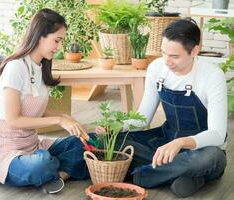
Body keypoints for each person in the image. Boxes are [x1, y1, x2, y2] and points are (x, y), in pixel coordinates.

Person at [96, 18, 227, 197]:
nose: (167, 61)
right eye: (163, 53)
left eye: (174, 56)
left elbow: (218, 135)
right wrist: (115, 127)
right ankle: (182, 177)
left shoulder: (212, 76)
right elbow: (142, 119)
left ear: (194, 50)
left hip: (200, 149)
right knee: (104, 142)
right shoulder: (156, 68)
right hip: (164, 143)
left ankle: (140, 175)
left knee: (212, 158)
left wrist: (181, 142)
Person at [0, 8, 89, 194]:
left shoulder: (40, 67)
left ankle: (59, 173)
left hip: (33, 145)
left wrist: (66, 117)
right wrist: (59, 120)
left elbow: (34, 110)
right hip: (8, 152)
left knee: (86, 142)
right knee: (38, 166)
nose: (59, 47)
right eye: (57, 40)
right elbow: (14, 120)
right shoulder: (15, 67)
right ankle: (55, 168)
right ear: (40, 35)